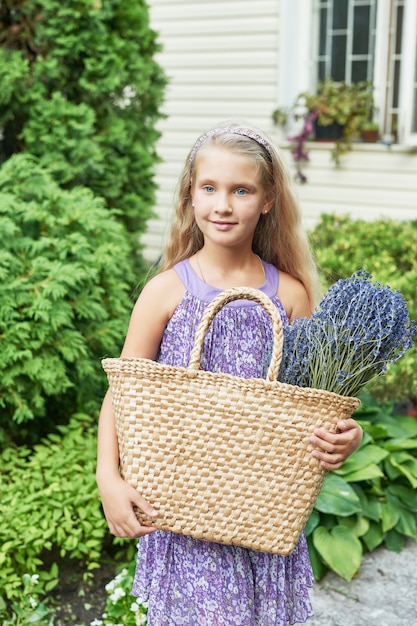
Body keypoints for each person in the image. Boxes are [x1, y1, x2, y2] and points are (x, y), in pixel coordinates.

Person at [96, 122, 363, 625]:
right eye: (209, 188)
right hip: (184, 509)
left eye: (241, 190)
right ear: (190, 196)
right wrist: (108, 476)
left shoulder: (290, 295)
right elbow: (123, 391)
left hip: (259, 509)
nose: (223, 205)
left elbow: (311, 403)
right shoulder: (166, 292)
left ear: (266, 200)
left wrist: (347, 435)